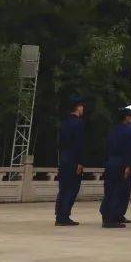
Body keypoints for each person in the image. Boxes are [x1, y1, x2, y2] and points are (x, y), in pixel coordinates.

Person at [99, 103, 131, 228]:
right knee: (119, 191)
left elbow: (107, 147)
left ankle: (112, 215)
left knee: (111, 190)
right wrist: (129, 165)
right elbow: (129, 149)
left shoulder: (113, 129)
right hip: (122, 163)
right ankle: (111, 218)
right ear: (128, 117)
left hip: (111, 162)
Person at [55, 95, 86, 226]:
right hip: (73, 159)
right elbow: (79, 144)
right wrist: (80, 162)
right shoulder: (78, 123)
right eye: (82, 106)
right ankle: (64, 216)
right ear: (78, 107)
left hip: (64, 157)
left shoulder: (64, 122)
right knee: (72, 188)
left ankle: (59, 214)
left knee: (63, 188)